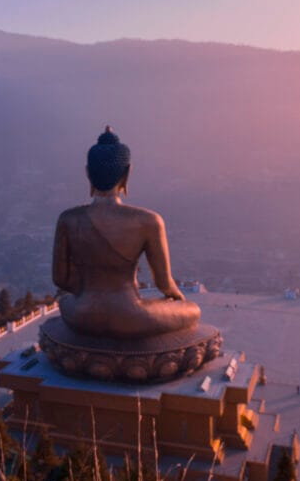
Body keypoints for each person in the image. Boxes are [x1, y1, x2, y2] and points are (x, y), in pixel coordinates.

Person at [52, 127, 201, 341]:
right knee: (192, 310)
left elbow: (60, 279)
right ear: (127, 173)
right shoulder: (149, 221)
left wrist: (91, 293)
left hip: (82, 315)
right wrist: (176, 298)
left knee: (64, 301)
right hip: (131, 317)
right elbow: (164, 283)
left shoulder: (68, 218)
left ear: (88, 173)